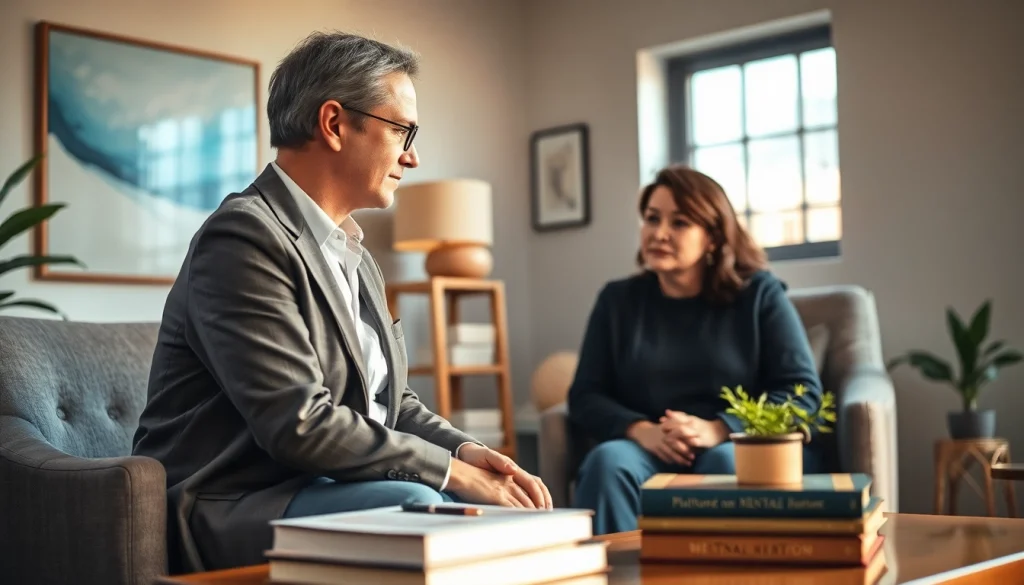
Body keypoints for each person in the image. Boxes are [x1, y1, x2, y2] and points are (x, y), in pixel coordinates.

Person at [131, 31, 550, 573]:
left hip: (331, 485)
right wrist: (449, 473)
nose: (413, 155)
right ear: (334, 123)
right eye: (403, 130)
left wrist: (470, 453)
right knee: (422, 508)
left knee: (486, 510)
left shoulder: (353, 251)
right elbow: (299, 423)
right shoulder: (242, 238)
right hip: (237, 502)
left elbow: (392, 402)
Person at [566, 165, 824, 535]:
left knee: (725, 464)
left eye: (680, 222)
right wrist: (639, 430)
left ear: (714, 238)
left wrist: (721, 429)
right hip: (649, 448)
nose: (659, 233)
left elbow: (803, 393)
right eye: (652, 219)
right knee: (609, 462)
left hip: (738, 446)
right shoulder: (617, 301)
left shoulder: (760, 295)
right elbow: (585, 395)